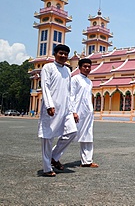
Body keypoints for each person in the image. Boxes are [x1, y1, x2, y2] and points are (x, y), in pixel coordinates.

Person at [38, 44, 77, 177]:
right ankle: (47, 167)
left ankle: (54, 156)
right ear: (55, 54)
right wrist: (49, 105)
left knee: (72, 131)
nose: (64, 56)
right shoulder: (48, 67)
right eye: (61, 53)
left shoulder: (67, 70)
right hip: (52, 108)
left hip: (65, 108)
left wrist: (72, 110)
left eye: (66, 54)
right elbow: (45, 86)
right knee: (48, 137)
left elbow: (69, 92)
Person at [71, 58, 98, 168]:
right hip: (77, 112)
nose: (87, 68)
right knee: (68, 135)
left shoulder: (89, 82)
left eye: (89, 66)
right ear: (79, 67)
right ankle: (54, 157)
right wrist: (73, 111)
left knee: (88, 135)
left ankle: (87, 160)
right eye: (84, 66)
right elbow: (71, 96)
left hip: (88, 112)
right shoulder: (75, 79)